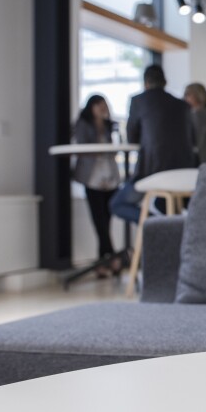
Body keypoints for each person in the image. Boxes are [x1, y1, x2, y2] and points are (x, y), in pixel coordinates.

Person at [110, 64, 197, 224]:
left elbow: (132, 138)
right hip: (185, 172)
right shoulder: (183, 105)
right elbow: (193, 140)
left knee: (117, 204)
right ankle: (169, 227)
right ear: (165, 82)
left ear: (145, 83)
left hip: (153, 171)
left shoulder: (138, 101)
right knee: (162, 203)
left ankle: (157, 225)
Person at [72, 94, 122, 277]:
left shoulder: (110, 126)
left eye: (104, 105)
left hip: (110, 178)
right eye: (98, 105)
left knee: (106, 221)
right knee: (99, 222)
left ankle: (104, 262)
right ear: (91, 107)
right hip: (92, 179)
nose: (102, 108)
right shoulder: (83, 124)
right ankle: (111, 259)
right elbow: (83, 148)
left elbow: (115, 150)